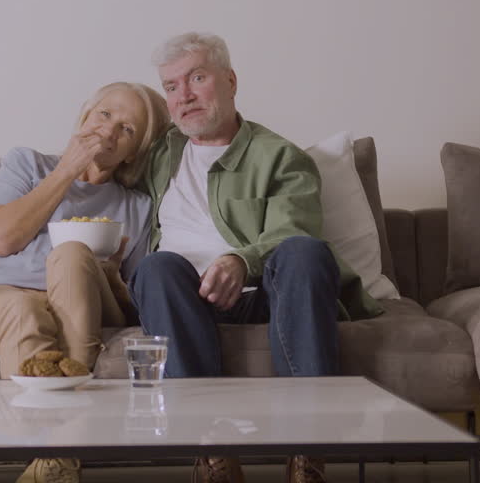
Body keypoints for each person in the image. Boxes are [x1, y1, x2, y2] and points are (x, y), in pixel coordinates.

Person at [132, 32, 383, 483]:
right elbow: (95, 163)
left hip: (266, 292)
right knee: (155, 267)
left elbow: (295, 229)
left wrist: (238, 261)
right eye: (171, 87)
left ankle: (307, 454)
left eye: (197, 78)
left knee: (305, 252)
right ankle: (212, 452)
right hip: (182, 298)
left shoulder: (280, 157)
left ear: (229, 81)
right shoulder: (159, 154)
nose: (184, 95)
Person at [0, 81, 170, 483]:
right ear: (85, 116)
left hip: (83, 293)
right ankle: (59, 454)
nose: (108, 131)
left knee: (72, 253)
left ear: (135, 151)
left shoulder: (137, 207)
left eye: (127, 129)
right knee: (24, 308)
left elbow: (134, 303)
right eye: (105, 115)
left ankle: (52, 459)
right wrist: (68, 170)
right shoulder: (26, 164)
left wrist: (108, 273)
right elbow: (3, 239)